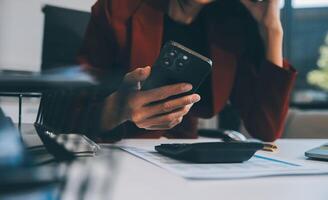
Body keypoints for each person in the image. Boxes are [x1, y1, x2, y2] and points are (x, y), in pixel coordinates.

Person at [78, 0, 297, 142]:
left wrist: (272, 29)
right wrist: (120, 109)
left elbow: (265, 128)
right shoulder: (117, 8)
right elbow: (69, 114)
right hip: (118, 155)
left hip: (183, 162)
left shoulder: (232, 24)